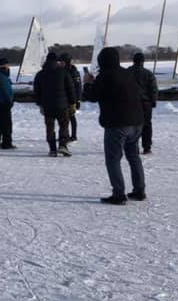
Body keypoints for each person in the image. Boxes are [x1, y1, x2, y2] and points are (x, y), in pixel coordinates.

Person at [83, 47, 146, 205]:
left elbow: (90, 97)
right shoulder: (128, 73)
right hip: (137, 122)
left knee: (113, 160)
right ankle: (139, 190)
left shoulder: (104, 76)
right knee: (134, 157)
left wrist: (88, 83)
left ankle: (119, 194)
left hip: (117, 124)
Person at [33, 51, 75, 157]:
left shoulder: (40, 74)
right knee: (64, 125)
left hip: (47, 106)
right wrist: (73, 102)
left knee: (50, 127)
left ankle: (52, 149)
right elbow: (70, 89)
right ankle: (62, 145)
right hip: (62, 106)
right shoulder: (64, 72)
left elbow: (36, 91)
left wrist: (40, 104)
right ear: (57, 61)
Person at [130, 52, 158, 154]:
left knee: (132, 125)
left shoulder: (127, 72)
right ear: (143, 61)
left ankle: (133, 146)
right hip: (146, 103)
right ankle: (147, 147)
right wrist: (153, 101)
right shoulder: (148, 73)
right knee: (146, 125)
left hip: (131, 103)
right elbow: (153, 89)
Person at [59, 52, 82, 141]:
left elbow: (78, 87)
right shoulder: (62, 71)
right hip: (64, 98)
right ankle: (65, 135)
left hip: (72, 99)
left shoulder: (74, 72)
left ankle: (74, 135)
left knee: (72, 117)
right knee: (64, 118)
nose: (61, 64)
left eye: (62, 62)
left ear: (67, 62)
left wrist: (78, 100)